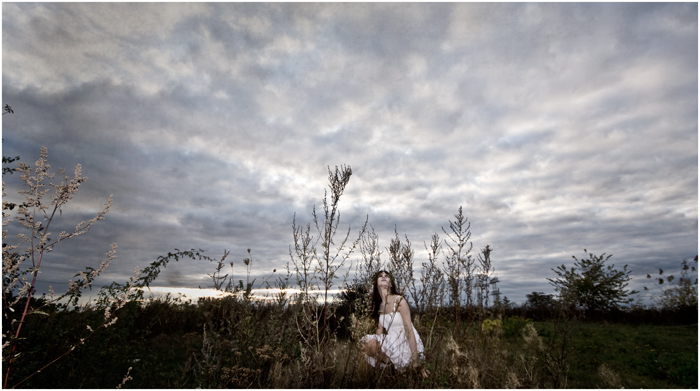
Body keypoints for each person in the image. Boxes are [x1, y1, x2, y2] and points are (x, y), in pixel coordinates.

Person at [361, 270, 426, 372]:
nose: (383, 276)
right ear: (376, 284)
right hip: (391, 340)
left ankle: (402, 366)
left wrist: (415, 359)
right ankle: (391, 367)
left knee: (371, 344)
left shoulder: (399, 301)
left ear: (390, 284)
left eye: (386, 276)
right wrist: (374, 348)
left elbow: (409, 329)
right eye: (380, 276)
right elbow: (379, 331)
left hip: (405, 341)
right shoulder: (379, 306)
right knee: (365, 344)